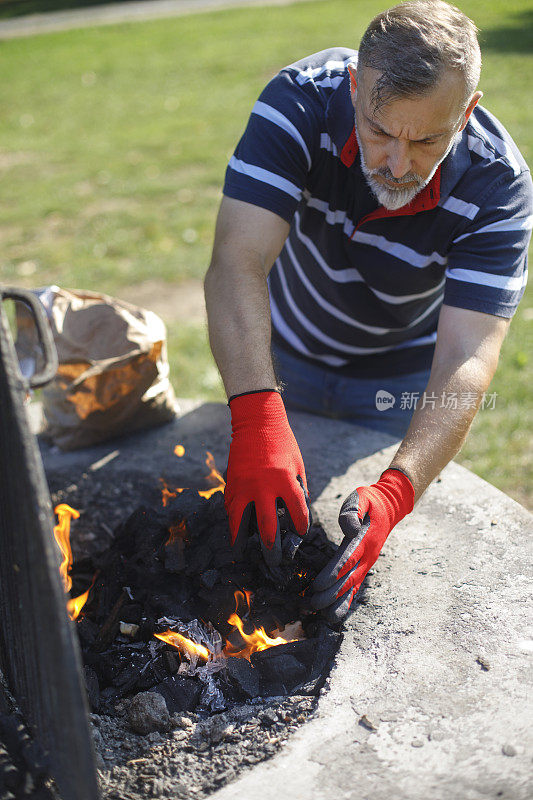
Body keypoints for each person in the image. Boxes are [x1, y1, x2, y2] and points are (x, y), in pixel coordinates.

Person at [204, 0, 532, 622]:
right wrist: (256, 415)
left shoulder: (499, 185)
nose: (397, 164)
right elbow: (236, 263)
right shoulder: (299, 101)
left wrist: (397, 489)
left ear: (468, 110)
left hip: (397, 380)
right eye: (379, 131)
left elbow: (469, 350)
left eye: (428, 138)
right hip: (284, 357)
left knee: (353, 552)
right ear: (355, 87)